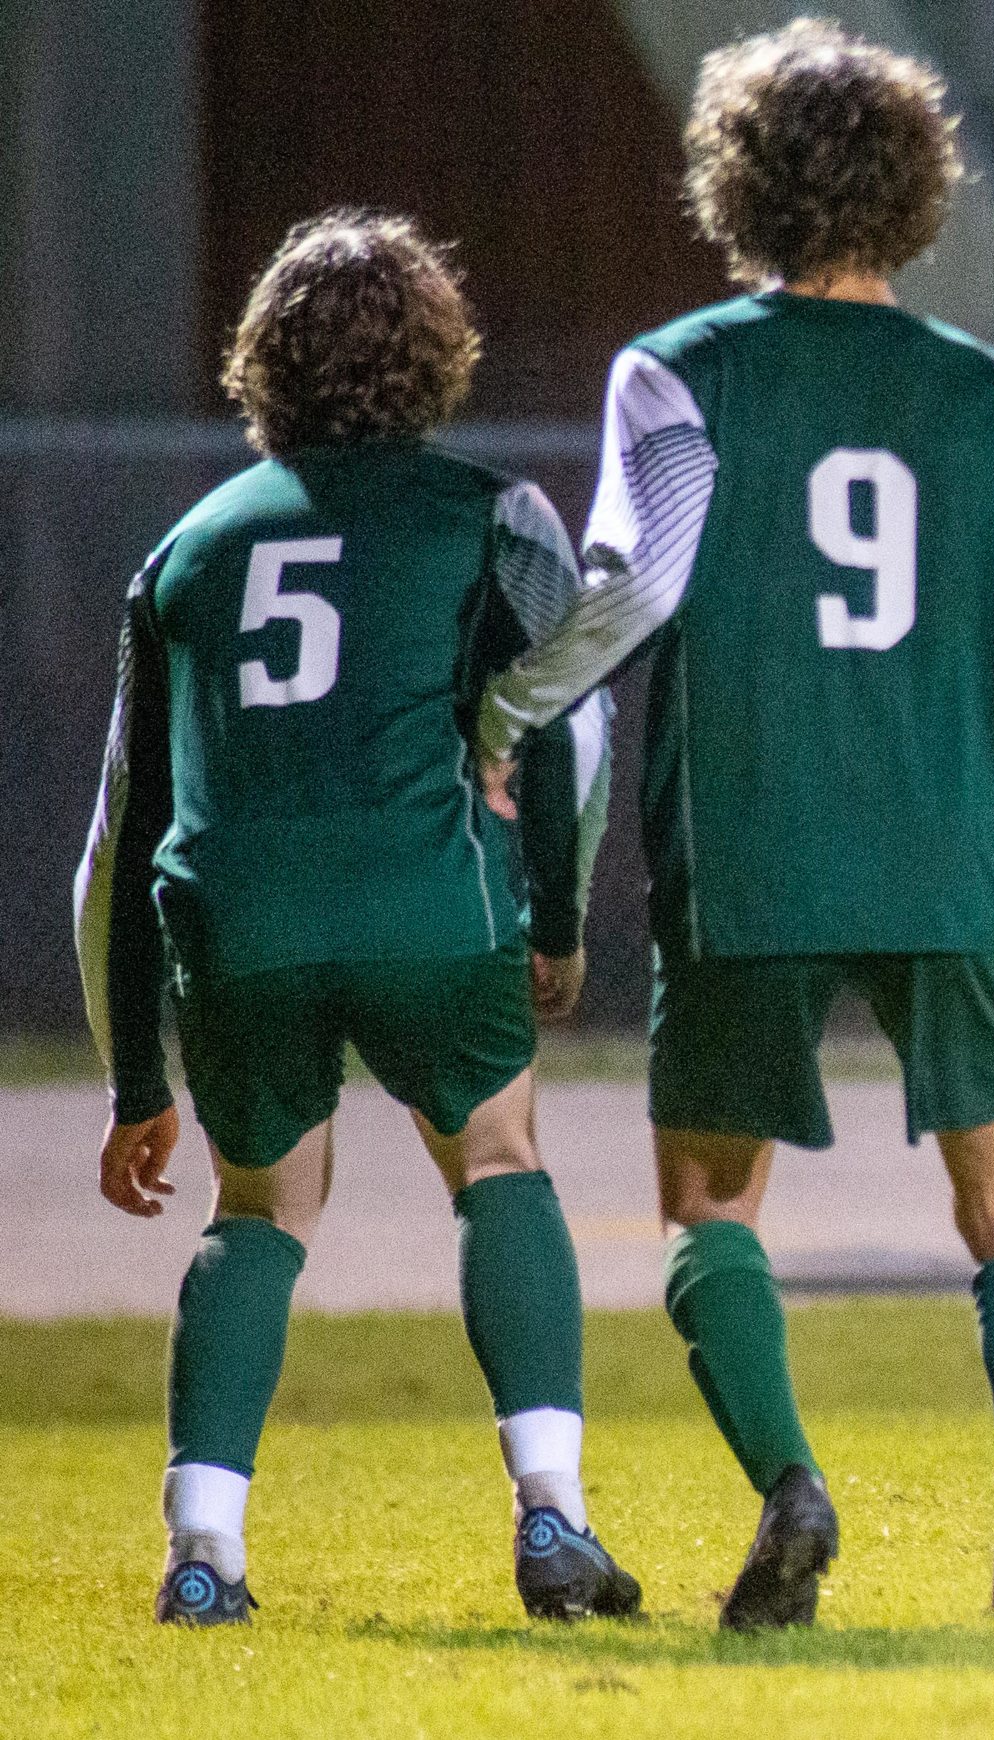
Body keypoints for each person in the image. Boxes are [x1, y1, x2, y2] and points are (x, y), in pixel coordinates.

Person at [471, 20, 994, 1628]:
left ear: (738, 188)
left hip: (751, 838)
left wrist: (505, 711)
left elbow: (641, 584)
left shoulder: (679, 370)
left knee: (709, 1207)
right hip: (944, 844)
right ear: (919, 191)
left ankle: (792, 1485)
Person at [77, 212, 635, 1623]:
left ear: (263, 363)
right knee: (500, 1157)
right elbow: (564, 736)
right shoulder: (493, 514)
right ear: (437, 356)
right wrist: (559, 919)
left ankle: (203, 1548)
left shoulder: (185, 552)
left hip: (237, 925)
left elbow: (118, 840)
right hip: (426, 905)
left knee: (259, 1208)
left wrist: (134, 1077)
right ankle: (554, 1521)